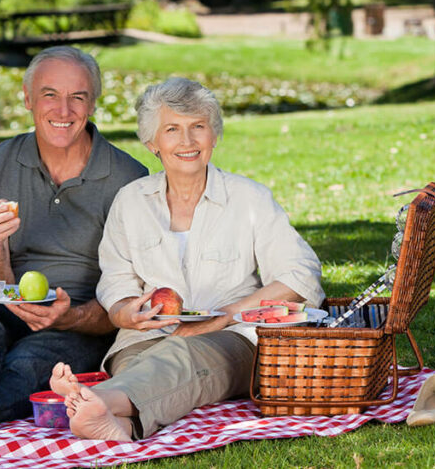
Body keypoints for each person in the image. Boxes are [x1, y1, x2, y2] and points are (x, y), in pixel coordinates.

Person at [49, 77, 323, 441]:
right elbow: (115, 284)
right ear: (152, 142)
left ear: (214, 136)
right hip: (146, 338)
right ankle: (121, 426)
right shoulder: (131, 202)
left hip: (233, 338)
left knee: (183, 358)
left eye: (198, 127)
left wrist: (225, 316)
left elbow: (300, 275)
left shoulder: (249, 198)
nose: (187, 141)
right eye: (172, 129)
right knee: (142, 368)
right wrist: (126, 312)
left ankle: (92, 398)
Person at [0, 46, 148, 441]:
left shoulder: (129, 179)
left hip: (81, 323)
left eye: (78, 97)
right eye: (50, 94)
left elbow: (129, 299)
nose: (63, 110)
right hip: (7, 307)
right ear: (28, 97)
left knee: (31, 361)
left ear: (93, 104)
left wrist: (71, 317)